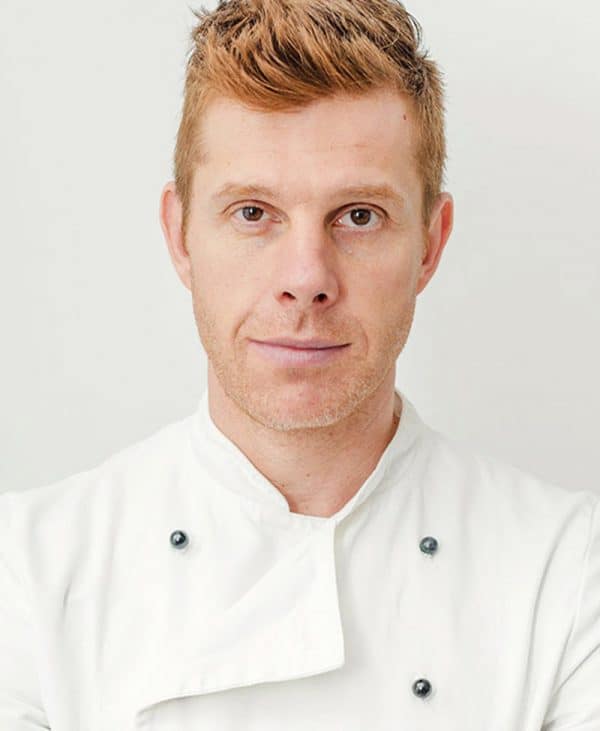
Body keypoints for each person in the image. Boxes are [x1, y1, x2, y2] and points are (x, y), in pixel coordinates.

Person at [1, 0, 598, 728]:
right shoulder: (27, 573)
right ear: (181, 235)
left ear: (430, 244)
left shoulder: (567, 572)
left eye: (359, 215)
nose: (306, 277)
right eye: (253, 212)